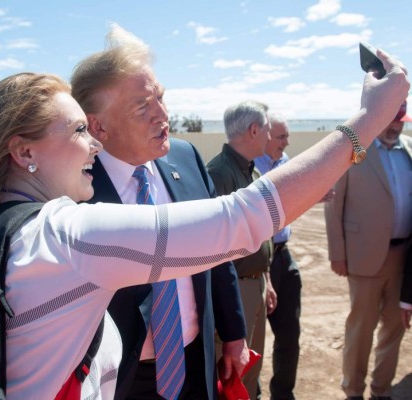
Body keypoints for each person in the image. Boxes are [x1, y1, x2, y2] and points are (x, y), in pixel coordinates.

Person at [0, 46, 408, 399]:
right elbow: (245, 219)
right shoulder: (65, 234)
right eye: (79, 131)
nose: (93, 143)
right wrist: (365, 123)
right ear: (24, 152)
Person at [71, 24, 249, 400]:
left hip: (194, 360)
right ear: (97, 126)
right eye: (142, 107)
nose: (163, 115)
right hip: (119, 379)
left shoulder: (186, 157)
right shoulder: (74, 190)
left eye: (161, 99)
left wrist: (234, 333)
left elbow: (218, 248)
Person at [324, 100, 412, 400]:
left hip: (403, 258)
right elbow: (334, 204)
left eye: (400, 120)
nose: (396, 125)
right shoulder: (355, 150)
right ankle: (353, 392)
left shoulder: (410, 150)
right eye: (391, 119)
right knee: (361, 330)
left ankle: (381, 391)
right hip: (363, 256)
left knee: (394, 329)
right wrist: (338, 252)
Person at [207, 100, 277, 400]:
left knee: (250, 370)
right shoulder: (218, 174)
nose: (270, 137)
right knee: (232, 373)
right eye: (268, 130)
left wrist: (267, 279)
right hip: (235, 290)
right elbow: (212, 249)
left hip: (256, 284)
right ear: (253, 130)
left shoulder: (251, 172)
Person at [254, 113, 301, 400]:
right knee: (254, 337)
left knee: (289, 335)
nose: (287, 142)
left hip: (284, 254)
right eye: (282, 136)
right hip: (258, 258)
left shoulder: (287, 163)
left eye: (287, 136)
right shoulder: (252, 167)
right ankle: (253, 394)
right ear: (265, 135)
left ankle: (283, 394)